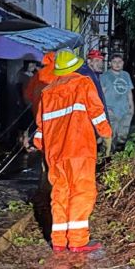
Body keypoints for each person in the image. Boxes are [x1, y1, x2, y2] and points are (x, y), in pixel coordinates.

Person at [33, 49, 113, 252]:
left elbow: (40, 129)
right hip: (79, 149)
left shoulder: (47, 92)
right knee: (82, 192)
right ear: (76, 66)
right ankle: (77, 241)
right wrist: (106, 133)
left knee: (59, 193)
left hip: (55, 154)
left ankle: (59, 240)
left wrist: (41, 146)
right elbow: (96, 111)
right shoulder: (82, 83)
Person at [101, 53, 134, 153]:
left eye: (119, 62)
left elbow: (129, 92)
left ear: (123, 63)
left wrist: (131, 107)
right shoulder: (105, 76)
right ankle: (107, 159)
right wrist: (106, 110)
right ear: (110, 63)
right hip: (111, 111)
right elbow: (101, 95)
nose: (117, 64)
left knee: (123, 137)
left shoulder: (126, 75)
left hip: (124, 110)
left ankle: (119, 159)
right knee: (111, 136)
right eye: (114, 62)